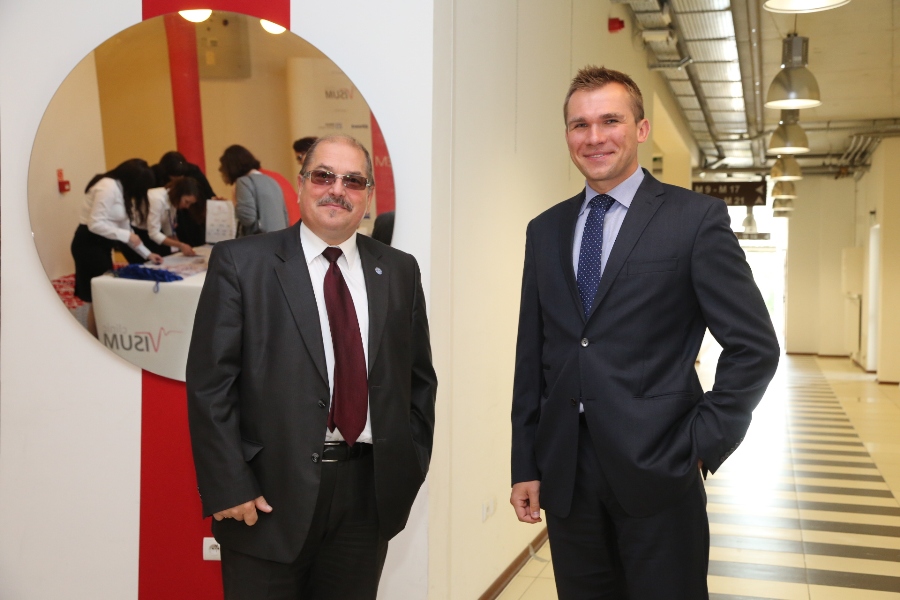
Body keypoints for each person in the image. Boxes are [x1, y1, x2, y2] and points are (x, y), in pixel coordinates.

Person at [509, 66, 780, 599]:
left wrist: (701, 444)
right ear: (567, 135)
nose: (594, 137)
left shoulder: (694, 219)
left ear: (641, 129)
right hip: (566, 474)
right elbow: (532, 355)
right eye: (580, 125)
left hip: (661, 467)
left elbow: (754, 347)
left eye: (610, 120)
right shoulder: (545, 230)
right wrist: (526, 463)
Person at [187, 134, 437, 599]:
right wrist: (229, 484)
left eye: (353, 181)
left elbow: (418, 380)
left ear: (368, 196)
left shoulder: (399, 270)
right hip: (265, 496)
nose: (337, 189)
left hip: (366, 496)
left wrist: (410, 464)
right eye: (323, 176)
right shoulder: (242, 263)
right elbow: (210, 385)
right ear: (301, 184)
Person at [70, 159, 164, 335]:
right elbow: (95, 224)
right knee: (98, 296)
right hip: (88, 245)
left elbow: (126, 229)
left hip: (102, 245)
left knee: (101, 294)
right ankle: (95, 338)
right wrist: (126, 236)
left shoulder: (121, 190)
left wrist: (148, 254)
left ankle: (101, 337)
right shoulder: (108, 187)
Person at [218, 145, 289, 237]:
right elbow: (285, 216)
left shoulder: (243, 182)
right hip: (280, 238)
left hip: (260, 241)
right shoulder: (272, 181)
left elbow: (247, 219)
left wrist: (235, 203)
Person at [152, 151, 215, 247]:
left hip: (191, 216)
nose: (179, 180)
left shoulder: (193, 171)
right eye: (175, 177)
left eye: (182, 176)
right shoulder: (156, 177)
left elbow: (208, 194)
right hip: (165, 217)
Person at [140, 176, 200, 257]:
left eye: (190, 204)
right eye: (186, 202)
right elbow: (153, 233)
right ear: (178, 194)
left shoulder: (173, 200)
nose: (187, 206)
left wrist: (181, 247)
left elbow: (168, 227)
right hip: (137, 230)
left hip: (149, 231)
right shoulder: (157, 200)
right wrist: (181, 245)